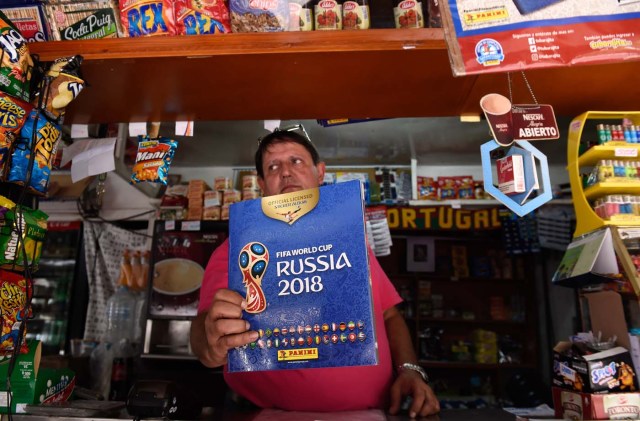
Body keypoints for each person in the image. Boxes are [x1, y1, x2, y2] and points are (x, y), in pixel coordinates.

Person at [190, 128, 439, 418]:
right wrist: (208, 344)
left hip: (370, 412)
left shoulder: (351, 241)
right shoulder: (238, 251)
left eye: (296, 161)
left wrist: (410, 370)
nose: (285, 172)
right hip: (267, 414)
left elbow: (389, 315)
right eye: (273, 166)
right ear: (261, 183)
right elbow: (201, 331)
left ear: (320, 173)